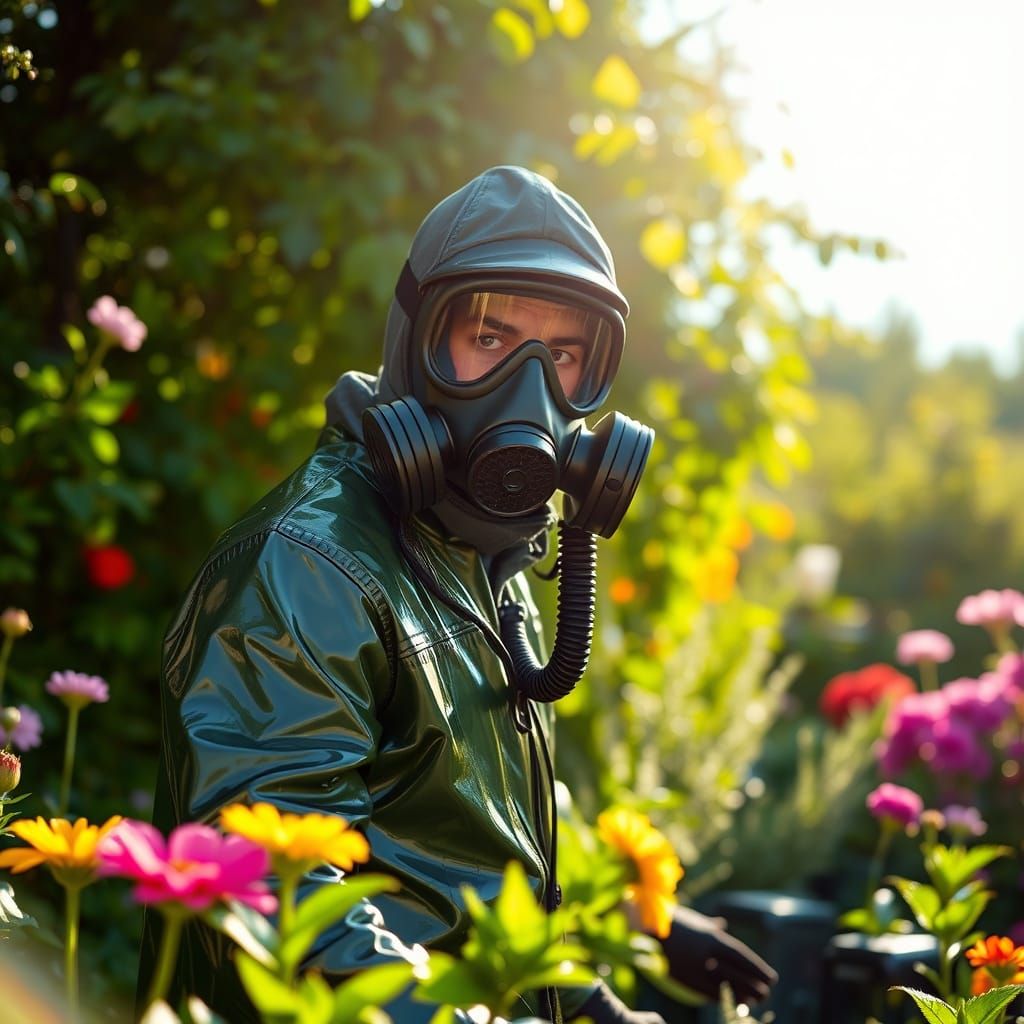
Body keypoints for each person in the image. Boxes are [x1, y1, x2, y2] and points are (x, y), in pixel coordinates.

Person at [143, 165, 775, 1023]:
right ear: (413, 342)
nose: (529, 392)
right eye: (488, 337)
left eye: (560, 355)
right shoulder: (309, 566)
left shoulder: (471, 557)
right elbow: (273, 893)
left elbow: (458, 863)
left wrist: (589, 998)